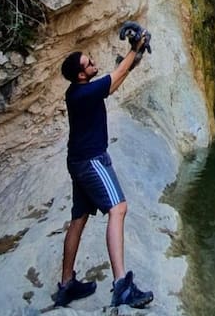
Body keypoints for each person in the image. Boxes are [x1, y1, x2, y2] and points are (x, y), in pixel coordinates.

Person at [55, 30, 154, 309]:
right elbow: (115, 75)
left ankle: (66, 285)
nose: (93, 62)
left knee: (79, 218)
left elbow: (113, 84)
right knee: (118, 208)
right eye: (89, 63)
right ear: (81, 75)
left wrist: (134, 58)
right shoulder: (85, 93)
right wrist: (135, 48)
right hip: (92, 162)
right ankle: (122, 287)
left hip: (77, 161)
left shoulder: (78, 92)